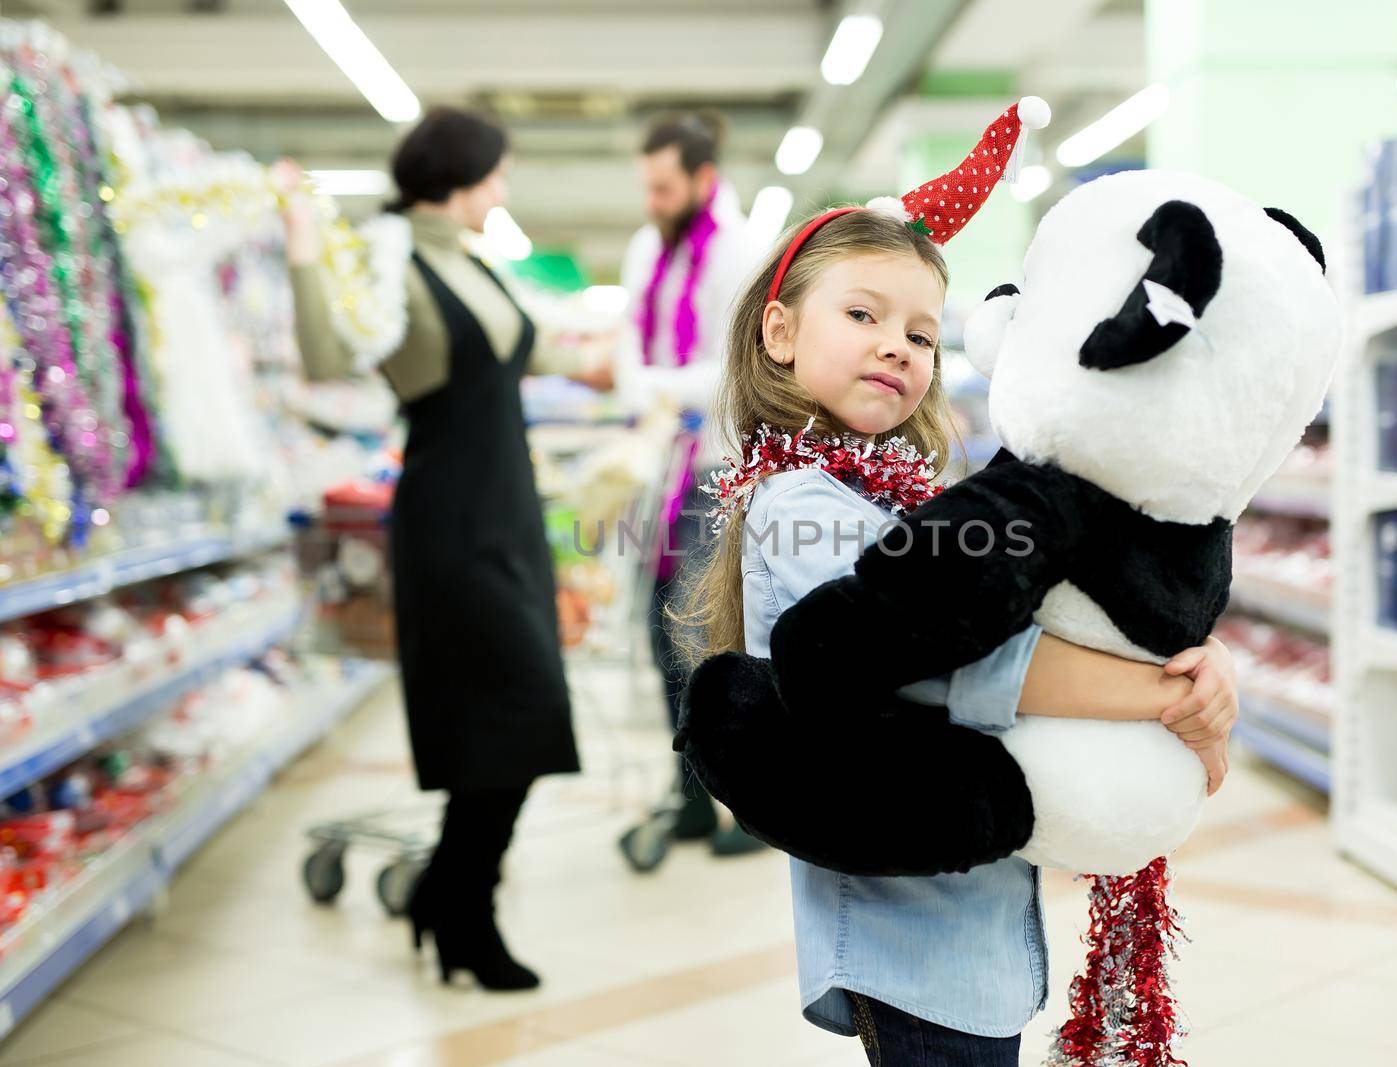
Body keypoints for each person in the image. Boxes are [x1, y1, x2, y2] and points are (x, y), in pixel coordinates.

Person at [676, 204, 1238, 1064]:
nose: (899, 345)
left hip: (958, 918)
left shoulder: (905, 501)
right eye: (863, 315)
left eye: (923, 334)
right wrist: (1163, 696)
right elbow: (953, 661)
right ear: (780, 332)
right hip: (914, 936)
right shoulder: (803, 502)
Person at [277, 107, 580, 992]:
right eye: (495, 175)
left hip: (507, 506)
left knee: (513, 719)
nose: (502, 191)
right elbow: (328, 352)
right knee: (511, 713)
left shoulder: (468, 260)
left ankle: (449, 902)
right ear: (455, 177)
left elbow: (518, 351)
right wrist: (302, 245)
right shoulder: (389, 256)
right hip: (451, 514)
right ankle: (464, 909)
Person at [611, 110, 761, 854]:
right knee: (657, 629)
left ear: (703, 180)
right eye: (646, 186)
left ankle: (747, 805)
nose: (653, 201)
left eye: (664, 187)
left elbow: (737, 363)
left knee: (705, 635)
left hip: (717, 469)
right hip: (661, 466)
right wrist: (648, 386)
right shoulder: (650, 248)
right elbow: (626, 350)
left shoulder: (740, 250)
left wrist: (660, 385)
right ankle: (692, 795)